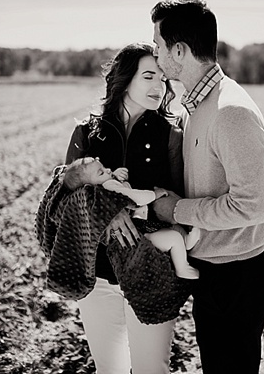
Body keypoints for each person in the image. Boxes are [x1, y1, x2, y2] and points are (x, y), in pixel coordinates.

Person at [150, 0, 264, 373]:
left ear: (179, 50)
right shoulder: (195, 107)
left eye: (158, 46)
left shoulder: (230, 112)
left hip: (235, 277)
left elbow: (255, 205)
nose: (155, 56)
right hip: (211, 270)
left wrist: (176, 210)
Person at [64, 42, 184, 374]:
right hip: (97, 276)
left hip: (152, 272)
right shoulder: (86, 133)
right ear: (124, 79)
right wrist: (109, 209)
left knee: (151, 370)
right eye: (149, 76)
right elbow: (64, 201)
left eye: (163, 79)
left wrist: (146, 201)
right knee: (109, 370)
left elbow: (177, 202)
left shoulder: (171, 136)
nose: (159, 87)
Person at [56, 156, 201, 279]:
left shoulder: (100, 191)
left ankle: (186, 242)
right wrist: (155, 194)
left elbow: (122, 188)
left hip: (138, 233)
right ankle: (181, 267)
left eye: (104, 167)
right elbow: (134, 197)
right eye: (101, 172)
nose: (108, 170)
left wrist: (116, 177)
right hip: (140, 237)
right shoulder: (108, 186)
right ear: (89, 186)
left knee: (171, 231)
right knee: (173, 237)